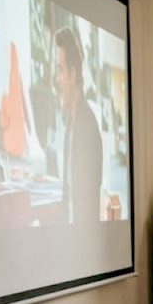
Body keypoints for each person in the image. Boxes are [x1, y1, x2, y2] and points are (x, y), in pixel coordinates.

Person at [54, 26, 102, 224]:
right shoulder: (71, 123)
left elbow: (87, 202)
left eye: (60, 70)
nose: (57, 80)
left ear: (73, 75)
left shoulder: (86, 127)